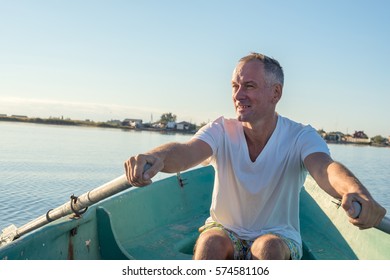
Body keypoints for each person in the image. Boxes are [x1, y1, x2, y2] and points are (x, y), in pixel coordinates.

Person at [124, 52, 386, 260]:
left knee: (267, 248)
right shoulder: (221, 129)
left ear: (276, 93)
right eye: (235, 86)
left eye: (249, 86)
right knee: (211, 242)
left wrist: (355, 191)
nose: (238, 95)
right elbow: (186, 152)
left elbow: (325, 169)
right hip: (225, 231)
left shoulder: (300, 135)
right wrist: (153, 157)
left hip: (280, 237)